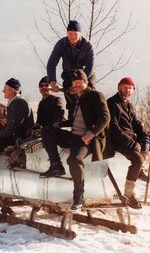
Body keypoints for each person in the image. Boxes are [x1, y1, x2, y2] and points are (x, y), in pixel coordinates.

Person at [40, 69, 111, 210]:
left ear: (86, 82)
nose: (77, 85)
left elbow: (105, 117)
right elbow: (73, 121)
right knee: (46, 131)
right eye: (75, 82)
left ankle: (78, 196)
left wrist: (90, 134)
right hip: (73, 136)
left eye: (80, 82)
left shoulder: (96, 96)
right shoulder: (75, 99)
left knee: (74, 159)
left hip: (88, 139)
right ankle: (56, 166)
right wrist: (58, 124)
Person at [107, 77, 150, 209]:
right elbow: (113, 128)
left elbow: (138, 124)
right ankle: (129, 195)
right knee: (137, 159)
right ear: (118, 87)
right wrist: (131, 142)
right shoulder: (112, 103)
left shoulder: (129, 105)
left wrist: (145, 140)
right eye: (124, 87)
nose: (127, 90)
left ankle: (139, 169)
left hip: (130, 139)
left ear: (133, 90)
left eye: (130, 88)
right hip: (117, 140)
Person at [46, 20, 96, 117]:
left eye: (75, 33)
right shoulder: (61, 44)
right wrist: (52, 81)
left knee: (91, 96)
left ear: (80, 33)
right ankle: (72, 118)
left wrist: (79, 84)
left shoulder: (88, 46)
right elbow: (51, 64)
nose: (72, 36)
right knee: (71, 104)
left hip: (86, 76)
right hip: (69, 76)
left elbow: (90, 66)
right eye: (70, 33)